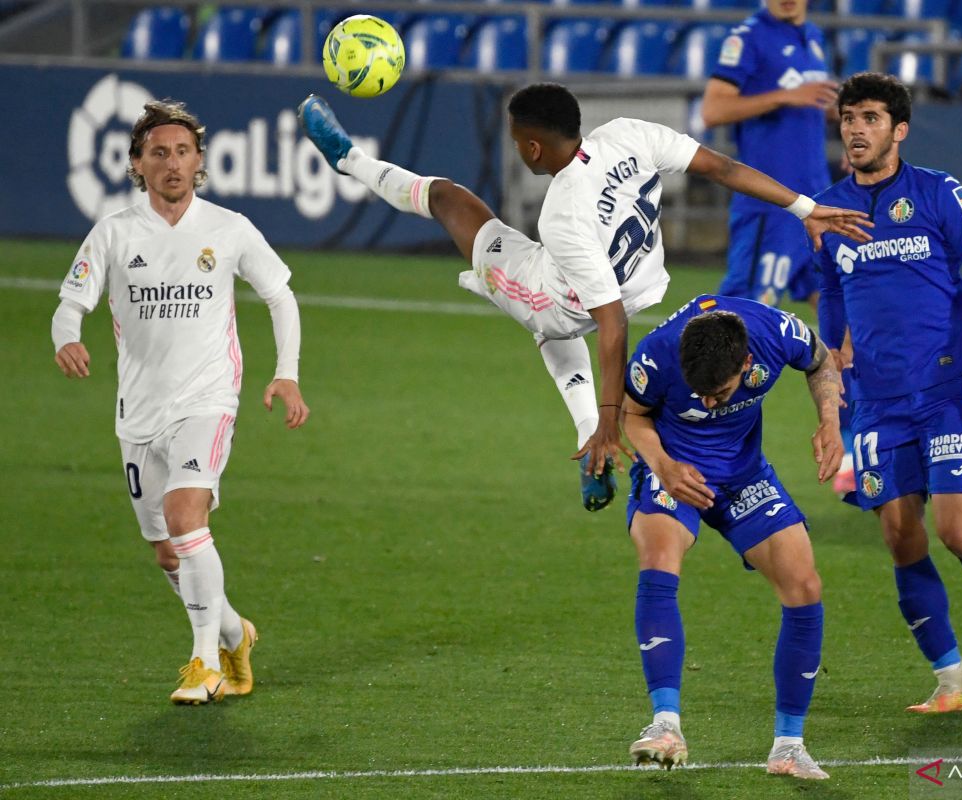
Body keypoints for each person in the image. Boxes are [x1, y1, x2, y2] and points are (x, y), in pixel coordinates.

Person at [297, 84, 870, 513]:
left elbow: (611, 323)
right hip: (645, 282)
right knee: (564, 318)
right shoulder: (627, 133)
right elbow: (719, 166)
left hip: (567, 300)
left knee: (452, 202)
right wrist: (805, 206)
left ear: (531, 147)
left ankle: (349, 161)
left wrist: (610, 422)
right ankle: (586, 438)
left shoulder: (563, 211)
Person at [52, 100, 310, 705]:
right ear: (137, 164)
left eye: (184, 152)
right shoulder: (114, 233)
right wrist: (66, 336)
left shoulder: (229, 228)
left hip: (209, 398)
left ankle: (202, 662)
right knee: (169, 551)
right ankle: (233, 632)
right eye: (159, 153)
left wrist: (287, 373)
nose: (173, 163)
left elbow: (281, 296)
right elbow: (71, 303)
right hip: (138, 413)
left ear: (200, 162)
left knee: (187, 518)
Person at [813, 72, 962, 713]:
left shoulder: (939, 193)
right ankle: (952, 682)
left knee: (958, 531)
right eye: (849, 117)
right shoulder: (828, 208)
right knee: (898, 534)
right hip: (875, 399)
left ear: (899, 129)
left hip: (944, 387)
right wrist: (834, 354)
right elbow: (831, 290)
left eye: (870, 118)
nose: (856, 129)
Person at [619, 295, 841, 779]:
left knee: (804, 585)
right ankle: (665, 725)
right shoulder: (657, 354)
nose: (708, 402)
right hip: (677, 469)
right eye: (700, 392)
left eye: (719, 393)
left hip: (743, 474)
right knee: (659, 555)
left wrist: (830, 421)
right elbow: (632, 415)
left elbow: (823, 361)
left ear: (747, 361)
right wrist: (663, 465)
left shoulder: (776, 333)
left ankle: (788, 746)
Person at [700, 0, 838, 310]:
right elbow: (712, 110)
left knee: (839, 310)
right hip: (773, 203)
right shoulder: (748, 38)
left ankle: (856, 361)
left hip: (816, 198)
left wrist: (832, 116)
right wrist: (786, 97)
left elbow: (805, 106)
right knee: (746, 313)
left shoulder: (813, 36)